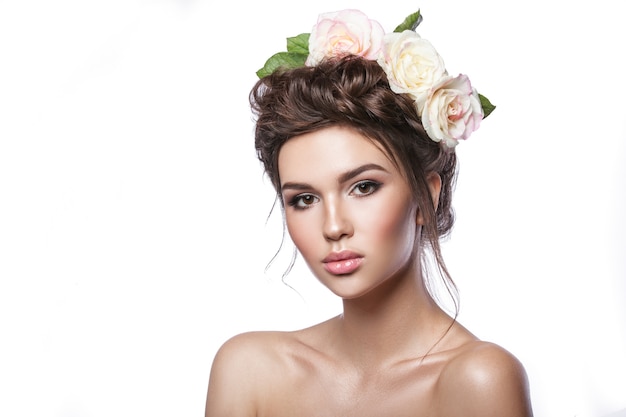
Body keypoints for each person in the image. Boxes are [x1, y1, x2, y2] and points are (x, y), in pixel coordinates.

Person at [205, 8, 533, 417]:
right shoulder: (249, 370)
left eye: (363, 187)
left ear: (426, 196)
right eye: (304, 199)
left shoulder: (477, 380)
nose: (334, 226)